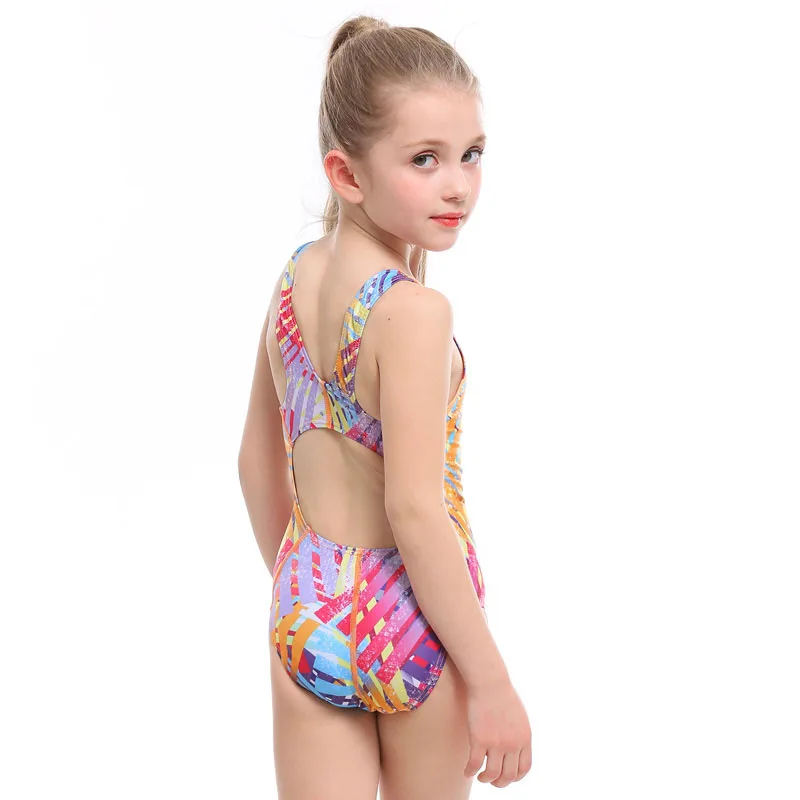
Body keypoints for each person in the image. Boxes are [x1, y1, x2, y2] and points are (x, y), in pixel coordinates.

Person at [238, 14, 531, 798]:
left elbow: (256, 462)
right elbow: (414, 509)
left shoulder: (295, 278)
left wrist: (310, 596)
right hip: (413, 625)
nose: (458, 185)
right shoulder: (414, 313)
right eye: (424, 159)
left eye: (472, 154)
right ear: (347, 173)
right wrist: (493, 685)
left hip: (309, 606)